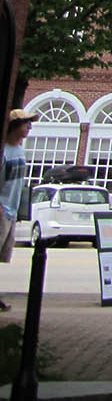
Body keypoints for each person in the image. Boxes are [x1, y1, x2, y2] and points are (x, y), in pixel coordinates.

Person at [1, 109, 39, 313]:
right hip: (2, 210)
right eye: (26, 124)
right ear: (15, 126)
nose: (29, 128)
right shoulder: (4, 151)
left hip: (12, 211)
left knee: (2, 255)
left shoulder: (20, 151)